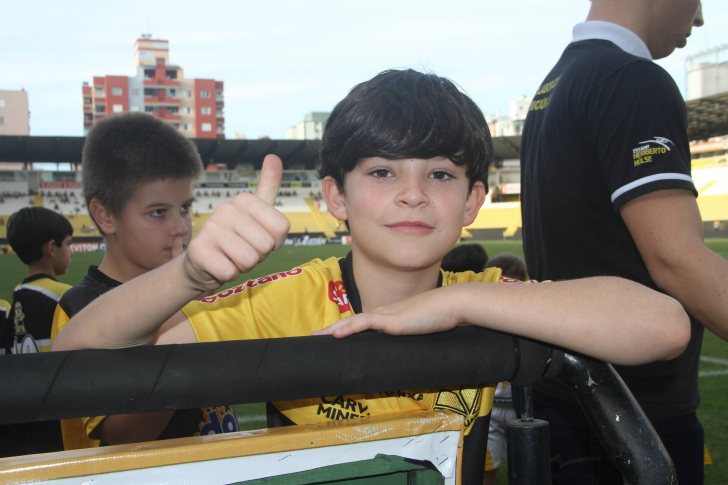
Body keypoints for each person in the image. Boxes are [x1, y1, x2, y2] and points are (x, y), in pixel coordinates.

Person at [53, 70, 689, 484]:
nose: (412, 195)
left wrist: (460, 301)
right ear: (335, 197)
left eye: (440, 174)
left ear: (472, 202)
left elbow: (664, 325)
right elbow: (75, 354)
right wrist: (188, 274)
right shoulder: (285, 300)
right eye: (382, 172)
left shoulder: (488, 300)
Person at [518, 1, 725, 483]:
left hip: (569, 394)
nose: (699, 19)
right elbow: (677, 258)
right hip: (634, 410)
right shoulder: (631, 79)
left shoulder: (556, 83)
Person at [50, 112, 239, 452]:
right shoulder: (80, 311)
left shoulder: (197, 287)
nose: (181, 227)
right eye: (158, 212)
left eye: (185, 207)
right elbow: (126, 433)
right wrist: (175, 310)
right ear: (106, 215)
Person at [2, 207, 74, 457]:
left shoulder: (17, 298)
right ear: (51, 248)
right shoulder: (65, 296)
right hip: (59, 418)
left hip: (24, 421)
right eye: (68, 244)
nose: (71, 252)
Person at [481, 253, 528, 484]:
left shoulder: (529, 321)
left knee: (524, 465)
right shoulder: (479, 317)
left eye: (514, 285)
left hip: (518, 409)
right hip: (488, 409)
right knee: (486, 467)